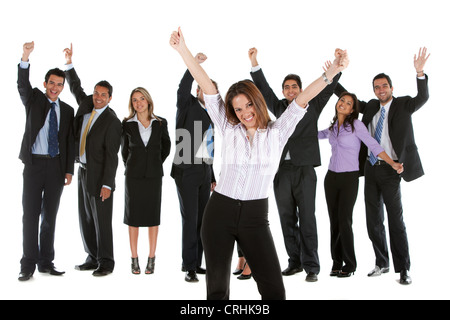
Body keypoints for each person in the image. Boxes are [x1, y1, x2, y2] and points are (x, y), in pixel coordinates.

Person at [169, 27, 348, 299]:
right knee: (217, 290)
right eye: (238, 109)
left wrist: (332, 71)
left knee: (274, 290)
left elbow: (303, 98)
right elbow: (208, 87)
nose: (244, 113)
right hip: (219, 211)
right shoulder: (227, 128)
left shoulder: (278, 131)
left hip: (255, 216)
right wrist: (183, 50)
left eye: (248, 106)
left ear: (258, 102)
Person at [334, 47, 430, 285]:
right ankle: (381, 262)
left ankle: (403, 269)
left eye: (384, 86)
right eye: (377, 87)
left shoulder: (404, 105)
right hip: (369, 168)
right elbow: (343, 94)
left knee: (395, 220)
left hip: (391, 169)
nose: (381, 90)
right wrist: (336, 69)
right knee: (372, 219)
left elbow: (423, 98)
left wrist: (420, 73)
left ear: (391, 87)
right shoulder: (371, 107)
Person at [248, 48, 341, 282]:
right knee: (286, 217)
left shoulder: (313, 105)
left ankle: (312, 267)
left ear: (300, 90)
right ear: (283, 92)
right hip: (281, 172)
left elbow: (328, 88)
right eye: (287, 87)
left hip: (305, 170)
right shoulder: (277, 107)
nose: (291, 90)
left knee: (308, 217)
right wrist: (254, 62)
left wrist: (337, 67)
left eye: (294, 87)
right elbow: (264, 89)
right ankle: (295, 262)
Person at [318, 92, 403, 278]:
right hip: (331, 178)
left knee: (345, 220)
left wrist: (392, 163)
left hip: (349, 178)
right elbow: (316, 135)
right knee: (334, 221)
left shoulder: (356, 125)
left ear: (352, 110)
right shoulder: (333, 127)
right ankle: (336, 261)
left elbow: (373, 145)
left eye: (348, 103)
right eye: (342, 100)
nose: (343, 104)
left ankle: (350, 264)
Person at [17, 41, 75, 281]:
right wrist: (25, 56)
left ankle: (45, 262)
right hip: (34, 165)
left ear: (63, 87)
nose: (55, 87)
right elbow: (22, 85)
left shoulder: (68, 110)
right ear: (45, 84)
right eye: (51, 83)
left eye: (59, 84)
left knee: (50, 216)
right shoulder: (34, 100)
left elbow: (70, 142)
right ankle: (27, 264)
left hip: (56, 167)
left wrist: (69, 170)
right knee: (30, 215)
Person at [63, 44, 122, 277]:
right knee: (85, 216)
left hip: (100, 176)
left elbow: (112, 156)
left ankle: (106, 262)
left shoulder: (112, 121)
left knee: (102, 220)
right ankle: (92, 256)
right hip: (83, 171)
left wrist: (108, 184)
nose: (98, 97)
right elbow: (76, 87)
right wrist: (69, 63)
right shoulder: (86, 105)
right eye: (96, 93)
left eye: (103, 95)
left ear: (110, 98)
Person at [171, 52, 216, 282]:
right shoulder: (187, 104)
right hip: (186, 170)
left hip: (204, 172)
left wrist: (212, 175)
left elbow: (210, 146)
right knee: (190, 219)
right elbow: (183, 86)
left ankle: (196, 263)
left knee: (201, 220)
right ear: (198, 89)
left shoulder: (214, 114)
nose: (205, 91)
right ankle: (189, 266)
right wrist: (194, 65)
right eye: (203, 87)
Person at [121, 87, 171, 274]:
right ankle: (134, 259)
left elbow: (166, 147)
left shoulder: (160, 123)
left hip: (153, 176)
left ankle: (151, 258)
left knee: (152, 218)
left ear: (148, 101)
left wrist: (153, 162)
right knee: (133, 218)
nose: (139, 103)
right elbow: (124, 152)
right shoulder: (126, 124)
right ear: (131, 104)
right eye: (134, 100)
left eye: (142, 98)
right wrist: (136, 164)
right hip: (133, 177)